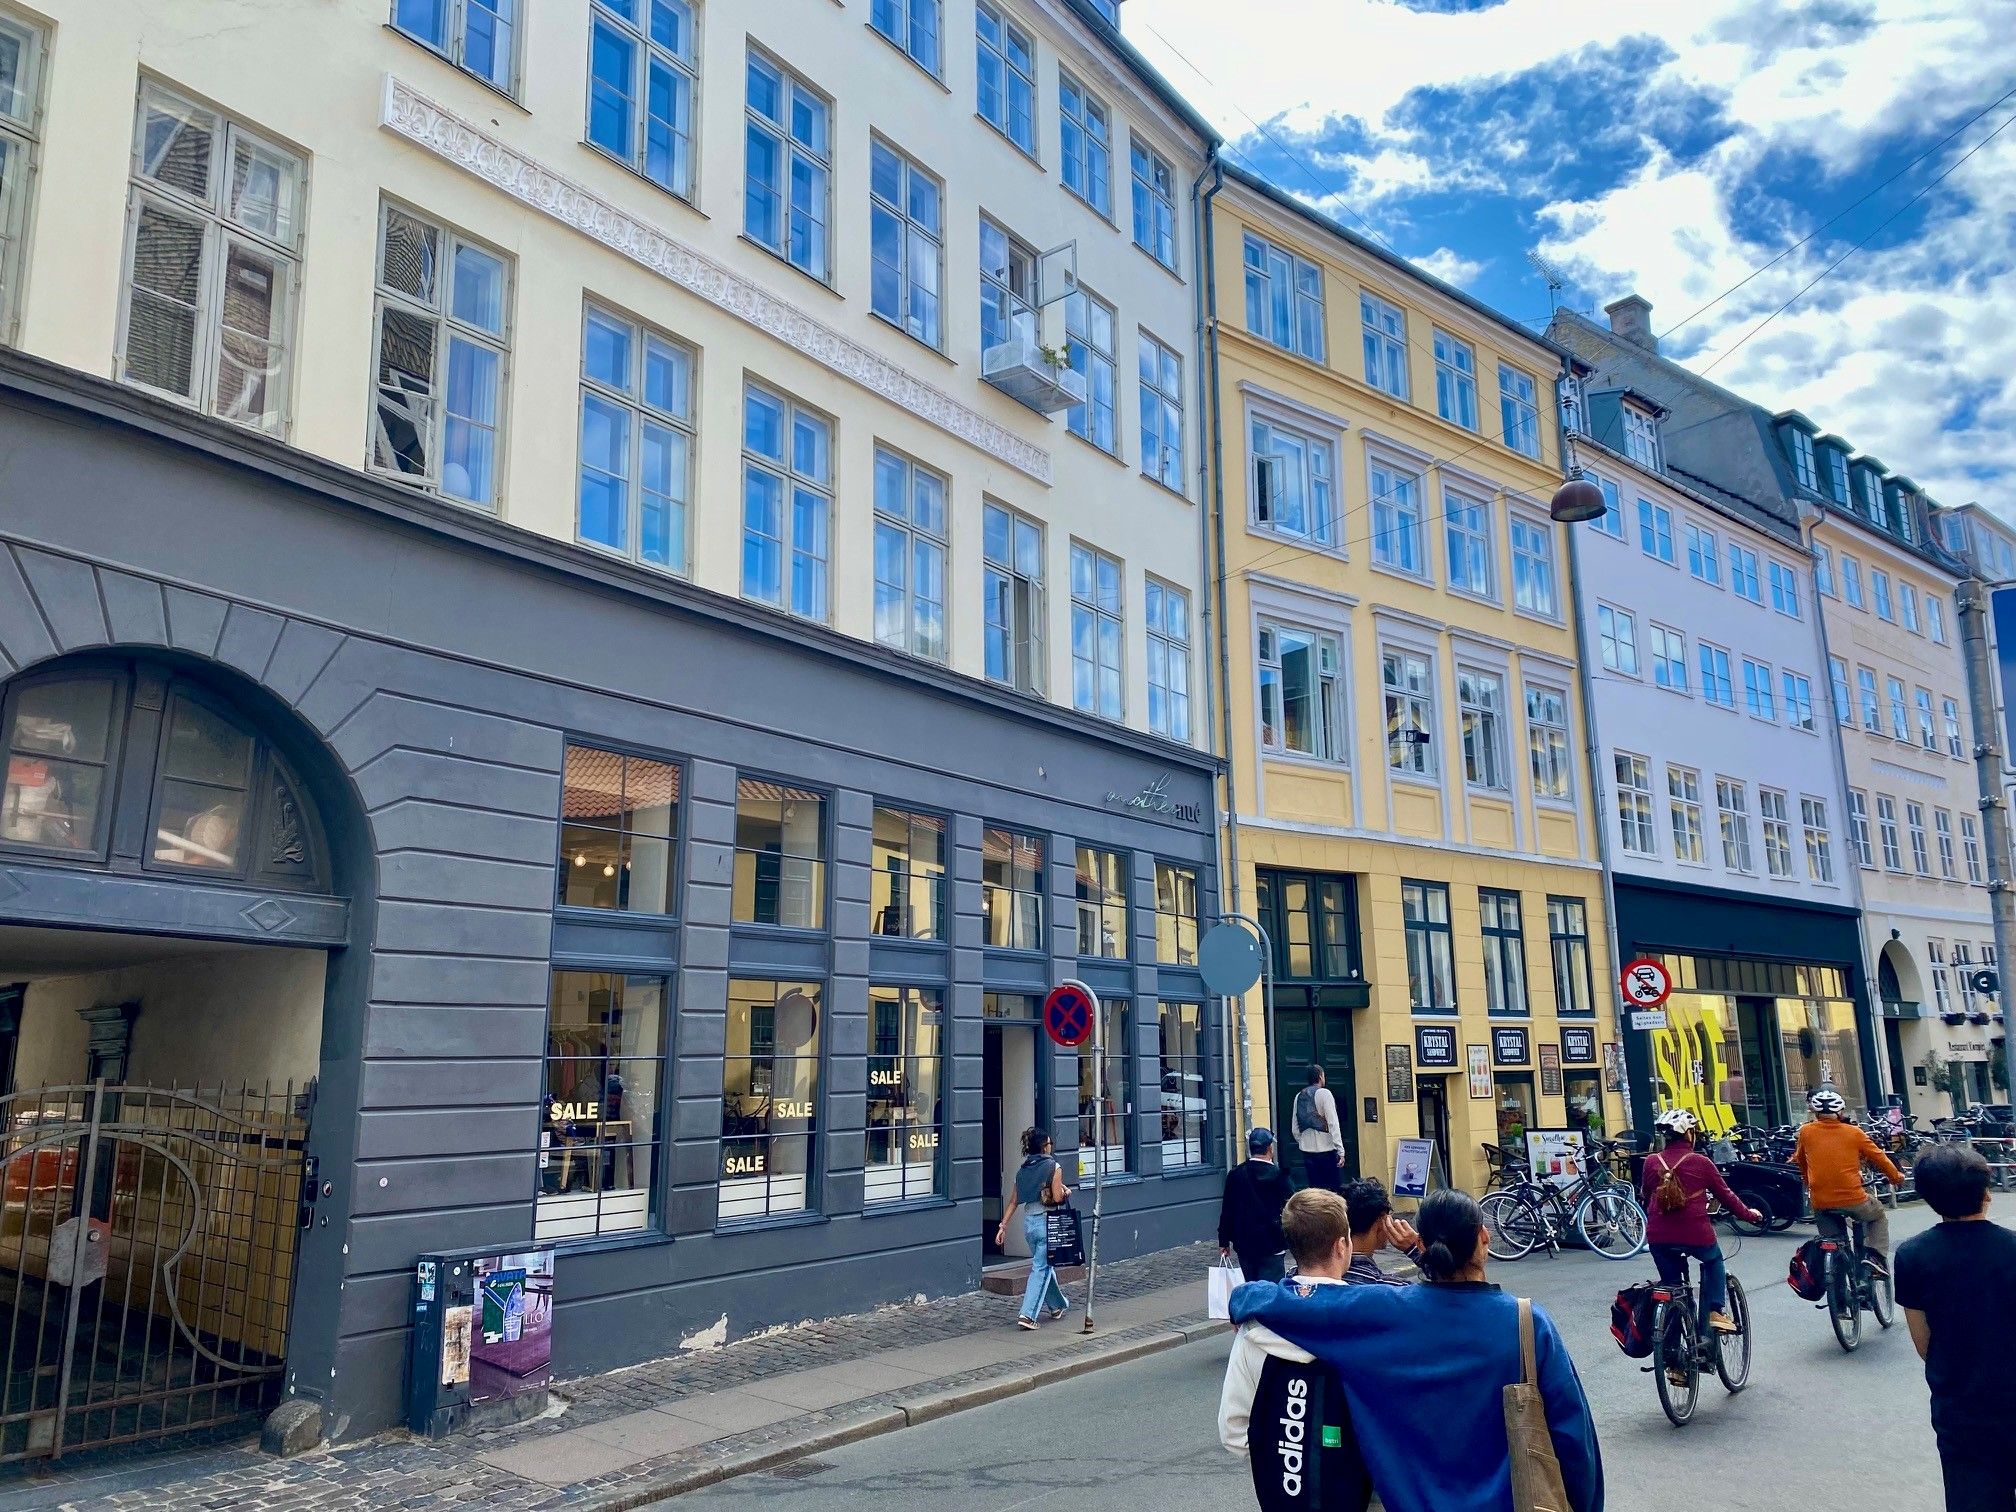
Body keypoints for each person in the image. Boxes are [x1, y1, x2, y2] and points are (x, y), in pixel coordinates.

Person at [1221, 1188, 1602, 1512]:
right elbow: (1573, 1437)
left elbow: (1304, 1303)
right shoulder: (1526, 1323)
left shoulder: (1388, 1310)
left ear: (1425, 1242)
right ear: (1484, 1237)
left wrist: (1245, 1296)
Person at [1896, 1144, 2016, 1510]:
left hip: (1962, 1412)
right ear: (1986, 1193)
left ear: (1928, 1198)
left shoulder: (1912, 1255)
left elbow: (1923, 1343)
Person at [1640, 1108, 1761, 1349]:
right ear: (1688, 1134)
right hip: (1695, 1234)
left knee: (1672, 1288)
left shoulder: (1651, 1161)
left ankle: (1672, 1358)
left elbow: (1645, 1193)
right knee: (1714, 1260)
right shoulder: (1701, 1162)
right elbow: (1726, 1196)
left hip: (1658, 1237)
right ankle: (1716, 1311)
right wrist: (1749, 1215)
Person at [1793, 1086, 1905, 1270]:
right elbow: (1879, 1157)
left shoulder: (1806, 1132)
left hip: (1821, 1201)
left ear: (1816, 1113)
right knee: (1877, 1215)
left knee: (1832, 1241)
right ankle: (1875, 1256)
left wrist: (1808, 1182)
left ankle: (1835, 1273)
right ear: (1840, 1112)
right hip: (1854, 1200)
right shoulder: (1854, 1132)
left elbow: (1801, 1160)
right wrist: (1896, 1177)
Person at [994, 1127, 1070, 1331]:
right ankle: (1027, 1315)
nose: (1051, 1146)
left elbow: (1013, 1201)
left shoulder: (1023, 1170)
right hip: (1047, 1221)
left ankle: (1057, 1305)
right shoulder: (1054, 1166)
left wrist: (1003, 1226)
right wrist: (1065, 1192)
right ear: (1044, 1147)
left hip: (1029, 1224)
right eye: (1050, 1143)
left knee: (1043, 1264)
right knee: (1041, 1267)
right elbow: (1057, 1198)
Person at [1220, 1126, 1296, 1282]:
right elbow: (1293, 1207)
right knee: (1272, 1289)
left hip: (1245, 1243)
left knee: (1251, 1285)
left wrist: (1224, 1240)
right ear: (1270, 1149)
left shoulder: (1235, 1175)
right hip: (1272, 1243)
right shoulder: (1279, 1176)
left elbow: (1227, 1211)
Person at [1339, 1177, 1423, 1286]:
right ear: (1381, 1221)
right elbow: (1442, 1289)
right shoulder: (1395, 1288)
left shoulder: (1326, 1279)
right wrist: (1414, 1250)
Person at [1293, 1064, 1344, 1192]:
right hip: (1327, 1152)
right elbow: (1333, 1123)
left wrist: (1303, 1141)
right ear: (1320, 1077)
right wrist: (1340, 1150)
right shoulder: (1325, 1094)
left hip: (1307, 1153)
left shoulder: (1299, 1096)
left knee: (1315, 1192)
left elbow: (1295, 1127)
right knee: (1333, 1191)